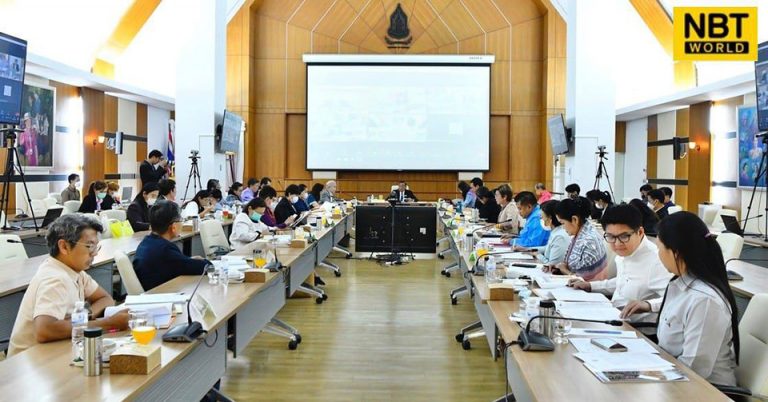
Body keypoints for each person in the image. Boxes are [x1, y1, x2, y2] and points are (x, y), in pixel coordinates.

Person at [620, 212, 739, 386]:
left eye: (660, 249)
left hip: (704, 390)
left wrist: (644, 374)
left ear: (676, 252)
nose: (658, 255)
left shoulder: (705, 301)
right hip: (673, 374)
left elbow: (695, 368)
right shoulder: (679, 283)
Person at [8, 214, 129, 356]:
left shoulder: (75, 271)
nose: (94, 253)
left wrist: (82, 316)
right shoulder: (55, 278)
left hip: (54, 350)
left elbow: (105, 298)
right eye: (90, 246)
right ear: (64, 246)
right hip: (29, 360)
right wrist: (109, 323)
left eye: (96, 247)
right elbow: (44, 330)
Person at [568, 205, 671, 319]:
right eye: (611, 237)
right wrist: (590, 286)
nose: (617, 244)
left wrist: (648, 305)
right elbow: (623, 282)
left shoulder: (657, 261)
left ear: (640, 232)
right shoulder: (625, 252)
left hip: (636, 327)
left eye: (624, 236)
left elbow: (674, 300)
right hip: (613, 316)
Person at [133, 200, 211, 291]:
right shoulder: (165, 249)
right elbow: (205, 267)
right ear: (173, 227)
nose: (182, 223)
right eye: (181, 220)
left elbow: (179, 263)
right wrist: (204, 261)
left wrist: (188, 260)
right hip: (161, 294)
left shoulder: (147, 242)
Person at [549, 197, 608, 280]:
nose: (563, 227)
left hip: (589, 286)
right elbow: (570, 264)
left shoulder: (589, 241)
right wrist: (559, 266)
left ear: (574, 219)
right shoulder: (580, 233)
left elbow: (583, 280)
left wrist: (564, 270)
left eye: (563, 223)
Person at [530, 200, 569, 265]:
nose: (541, 220)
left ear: (550, 218)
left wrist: (538, 255)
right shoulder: (556, 231)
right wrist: (528, 249)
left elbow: (552, 264)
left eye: (542, 217)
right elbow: (548, 247)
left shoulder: (559, 237)